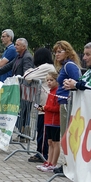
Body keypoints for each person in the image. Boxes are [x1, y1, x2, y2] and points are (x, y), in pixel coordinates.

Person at [0, 38, 34, 141]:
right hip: (17, 90)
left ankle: (24, 135)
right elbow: (8, 67)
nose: (15, 46)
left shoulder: (27, 57)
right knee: (19, 112)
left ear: (24, 47)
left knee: (23, 112)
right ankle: (21, 134)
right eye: (15, 44)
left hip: (23, 90)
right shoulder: (18, 57)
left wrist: (20, 86)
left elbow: (27, 74)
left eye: (18, 45)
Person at [51, 40, 82, 174]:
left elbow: (78, 83)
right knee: (64, 133)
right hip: (63, 103)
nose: (57, 55)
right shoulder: (65, 66)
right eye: (55, 52)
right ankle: (67, 162)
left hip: (67, 103)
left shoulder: (70, 66)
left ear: (67, 52)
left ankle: (68, 164)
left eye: (59, 51)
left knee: (66, 134)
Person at [23, 47, 57, 163]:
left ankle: (42, 153)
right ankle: (41, 152)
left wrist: (30, 71)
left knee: (43, 130)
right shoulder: (47, 67)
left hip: (45, 104)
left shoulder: (46, 67)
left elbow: (27, 76)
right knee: (41, 128)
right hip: (42, 103)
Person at [36, 72, 61, 172]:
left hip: (55, 121)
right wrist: (42, 109)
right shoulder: (51, 91)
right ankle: (49, 161)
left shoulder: (58, 92)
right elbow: (49, 107)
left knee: (55, 142)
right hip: (48, 120)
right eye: (48, 80)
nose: (49, 82)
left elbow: (58, 108)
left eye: (51, 80)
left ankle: (53, 163)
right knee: (50, 142)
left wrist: (46, 108)